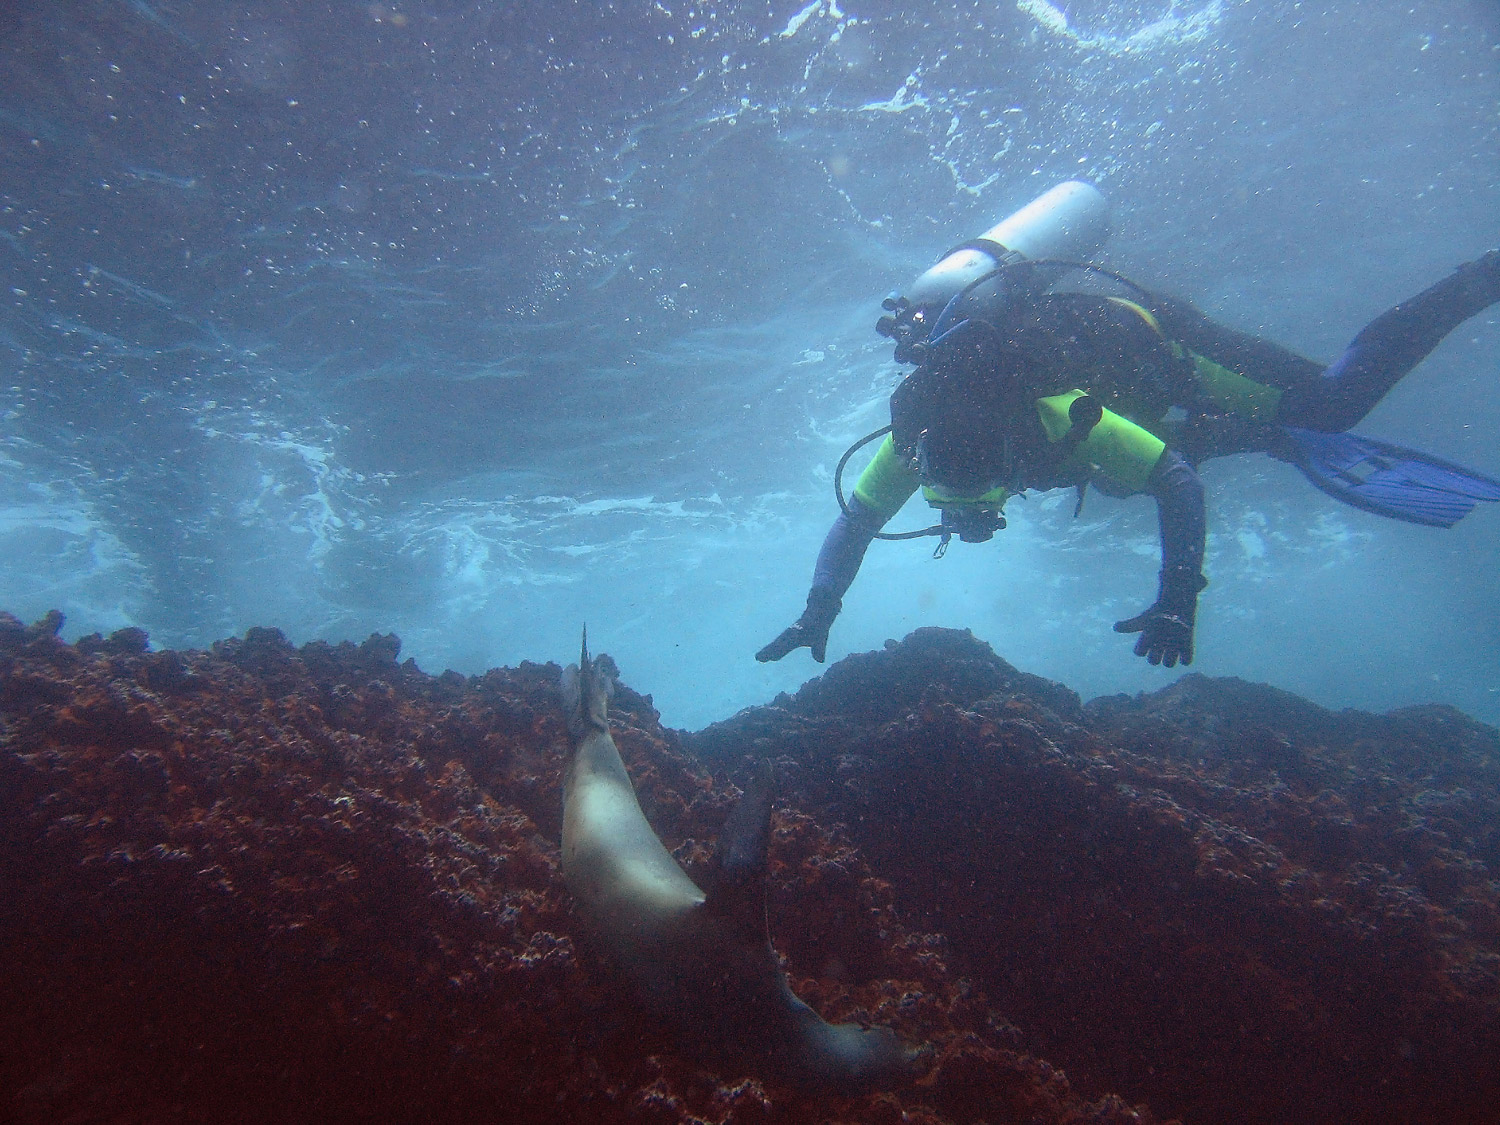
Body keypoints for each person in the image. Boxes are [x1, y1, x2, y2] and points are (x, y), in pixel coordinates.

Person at [756, 246, 1500, 671]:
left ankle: (1473, 283)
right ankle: (1261, 436)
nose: (973, 519)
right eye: (961, 507)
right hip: (1109, 399)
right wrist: (817, 611)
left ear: (1009, 462)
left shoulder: (1047, 411)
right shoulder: (916, 434)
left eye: (976, 503)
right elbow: (854, 523)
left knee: (1329, 405)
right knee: (1115, 479)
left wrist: (1179, 597)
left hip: (1155, 345)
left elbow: (1175, 483)